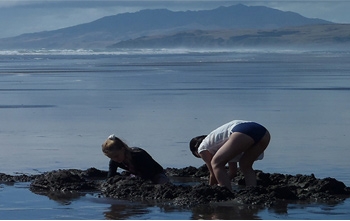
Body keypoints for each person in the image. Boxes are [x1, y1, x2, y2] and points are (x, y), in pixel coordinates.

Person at [189, 120, 270, 191]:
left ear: (196, 151)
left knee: (216, 163)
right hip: (263, 132)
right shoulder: (221, 142)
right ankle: (252, 191)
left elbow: (213, 173)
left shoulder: (202, 147)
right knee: (245, 165)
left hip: (242, 131)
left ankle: (228, 195)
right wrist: (223, 181)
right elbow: (232, 172)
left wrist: (210, 190)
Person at [102, 134, 169, 184]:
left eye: (116, 156)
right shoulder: (114, 161)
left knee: (161, 182)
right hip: (136, 174)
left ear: (123, 149)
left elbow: (149, 174)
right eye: (111, 157)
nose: (115, 159)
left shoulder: (139, 155)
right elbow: (110, 177)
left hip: (156, 174)